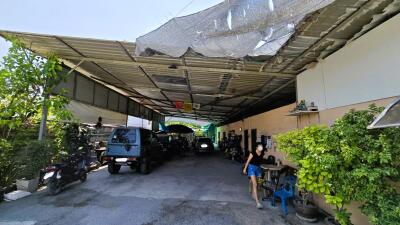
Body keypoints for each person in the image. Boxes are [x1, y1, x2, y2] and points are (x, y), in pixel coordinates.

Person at [243, 142, 265, 209]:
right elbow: (248, 161)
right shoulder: (252, 153)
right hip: (251, 167)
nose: (261, 147)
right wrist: (245, 168)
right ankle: (257, 202)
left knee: (258, 183)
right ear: (256, 147)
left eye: (261, 146)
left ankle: (250, 184)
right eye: (259, 146)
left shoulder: (262, 153)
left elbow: (260, 161)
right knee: (255, 184)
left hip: (258, 168)